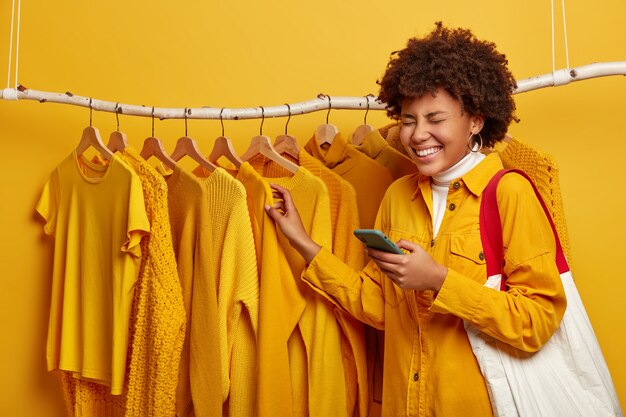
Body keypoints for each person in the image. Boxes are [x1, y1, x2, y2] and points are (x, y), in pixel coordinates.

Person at [265, 22, 566, 417]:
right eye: (408, 120)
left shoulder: (510, 193)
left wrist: (439, 281)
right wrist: (303, 243)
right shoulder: (399, 195)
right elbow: (378, 305)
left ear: (475, 120)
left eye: (435, 119)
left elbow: (538, 321)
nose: (418, 134)